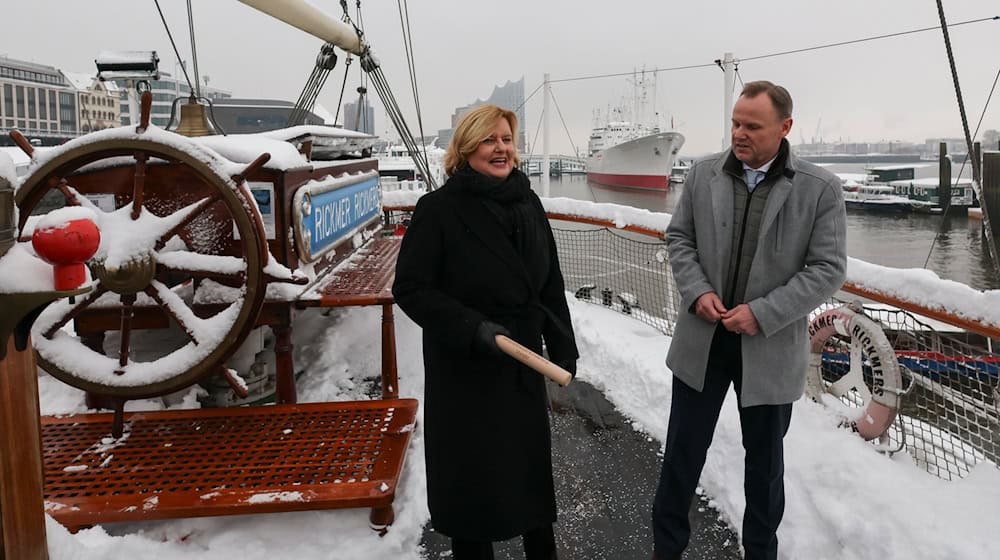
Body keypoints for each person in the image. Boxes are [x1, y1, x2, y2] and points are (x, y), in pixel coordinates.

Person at [651, 81, 847, 560]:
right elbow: (680, 239)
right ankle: (666, 549)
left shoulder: (820, 190)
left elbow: (828, 269)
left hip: (769, 347)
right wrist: (697, 292)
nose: (739, 133)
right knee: (681, 454)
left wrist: (762, 314)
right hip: (704, 341)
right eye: (736, 123)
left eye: (751, 126)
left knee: (765, 467)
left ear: (784, 128)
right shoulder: (702, 175)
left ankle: (761, 553)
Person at [392, 103, 578, 560]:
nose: (501, 149)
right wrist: (474, 330)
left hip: (520, 366)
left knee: (528, 478)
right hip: (466, 370)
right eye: (490, 140)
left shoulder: (528, 202)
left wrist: (562, 344)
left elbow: (549, 280)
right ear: (466, 148)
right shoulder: (438, 210)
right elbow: (411, 288)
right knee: (473, 488)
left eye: (507, 139)